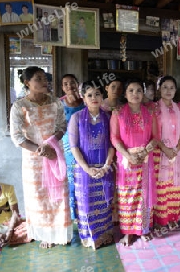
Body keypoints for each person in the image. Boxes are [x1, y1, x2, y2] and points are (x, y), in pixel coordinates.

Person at [10, 66, 72, 248]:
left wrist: (51, 145)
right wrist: (40, 150)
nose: (44, 82)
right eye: (38, 79)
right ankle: (46, 235)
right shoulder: (20, 106)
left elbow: (62, 126)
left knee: (59, 194)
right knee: (39, 196)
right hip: (34, 160)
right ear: (27, 82)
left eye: (45, 78)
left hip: (54, 155)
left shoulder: (55, 102)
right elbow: (18, 137)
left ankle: (61, 233)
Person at [110, 79, 157, 247]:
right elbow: (114, 138)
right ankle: (128, 232)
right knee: (127, 197)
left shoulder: (149, 113)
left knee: (143, 196)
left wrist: (145, 151)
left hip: (144, 161)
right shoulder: (118, 113)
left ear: (143, 93)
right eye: (131, 90)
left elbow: (155, 138)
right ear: (125, 94)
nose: (135, 94)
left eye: (138, 90)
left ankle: (143, 230)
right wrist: (127, 155)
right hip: (126, 161)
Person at [69, 82, 115, 250]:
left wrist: (106, 166)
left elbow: (112, 145)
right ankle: (89, 236)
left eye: (97, 94)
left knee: (103, 202)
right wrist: (87, 168)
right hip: (84, 170)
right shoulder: (76, 118)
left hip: (104, 168)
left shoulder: (108, 118)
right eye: (90, 95)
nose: (94, 98)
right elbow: (73, 147)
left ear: (102, 97)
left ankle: (104, 234)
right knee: (86, 203)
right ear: (83, 98)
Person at [151, 76, 180, 230]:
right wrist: (165, 149)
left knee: (174, 186)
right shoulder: (153, 108)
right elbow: (152, 134)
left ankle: (172, 218)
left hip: (176, 153)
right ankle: (160, 220)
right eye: (165, 87)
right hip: (159, 153)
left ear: (176, 90)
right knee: (161, 187)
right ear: (159, 89)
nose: (168, 90)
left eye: (172, 87)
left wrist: (176, 149)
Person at [60, 74, 85, 221]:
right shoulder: (59, 104)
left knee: (84, 178)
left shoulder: (86, 102)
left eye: (72, 83)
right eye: (65, 84)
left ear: (78, 84)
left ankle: (84, 210)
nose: (69, 86)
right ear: (62, 87)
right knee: (71, 180)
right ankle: (73, 215)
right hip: (68, 148)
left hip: (85, 146)